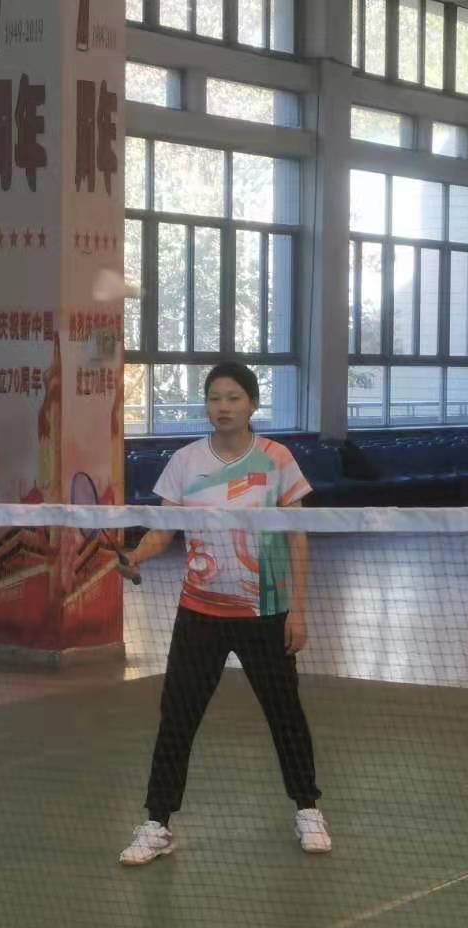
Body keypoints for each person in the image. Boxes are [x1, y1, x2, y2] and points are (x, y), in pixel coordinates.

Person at [117, 362, 330, 865]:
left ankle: (307, 808)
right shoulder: (185, 462)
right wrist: (137, 556)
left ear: (252, 404)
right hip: (200, 611)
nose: (223, 407)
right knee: (178, 717)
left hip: (266, 610)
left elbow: (297, 536)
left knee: (285, 714)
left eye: (233, 398)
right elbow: (164, 529)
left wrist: (298, 610)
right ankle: (157, 822)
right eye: (215, 398)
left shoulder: (278, 460)